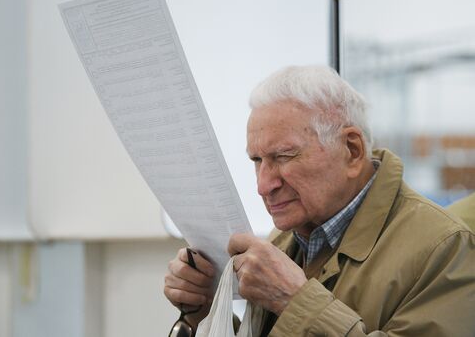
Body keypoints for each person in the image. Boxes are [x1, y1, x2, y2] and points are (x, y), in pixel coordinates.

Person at [164, 65, 475, 336]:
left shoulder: (446, 248)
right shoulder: (288, 237)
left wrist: (296, 302)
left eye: (284, 156)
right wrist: (205, 310)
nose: (263, 185)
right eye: (257, 160)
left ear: (352, 150)